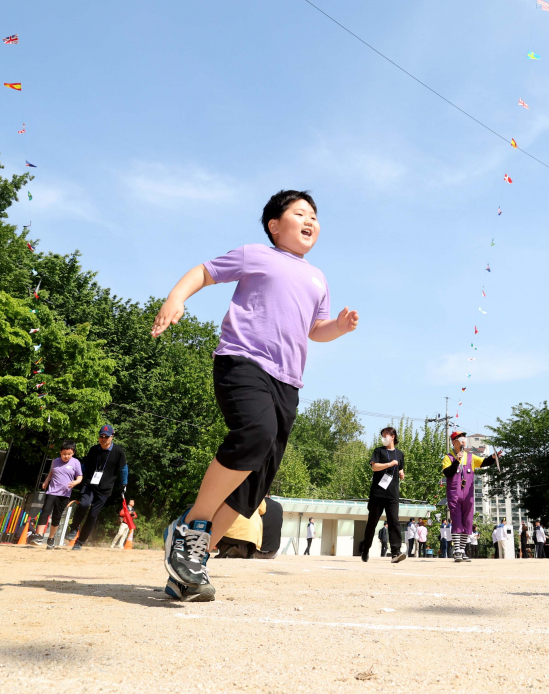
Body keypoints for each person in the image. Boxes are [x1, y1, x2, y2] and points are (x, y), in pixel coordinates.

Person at [154, 190, 359, 602]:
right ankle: (191, 525)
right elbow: (203, 272)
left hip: (288, 382)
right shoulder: (255, 255)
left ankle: (191, 566)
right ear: (274, 225)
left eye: (314, 216)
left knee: (258, 477)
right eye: (299, 213)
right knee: (254, 434)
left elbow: (314, 330)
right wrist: (176, 298)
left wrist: (338, 326)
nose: (309, 220)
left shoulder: (318, 278)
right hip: (243, 361)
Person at [442, 431, 498, 562]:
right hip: (454, 495)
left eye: (464, 438)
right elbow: (447, 473)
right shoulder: (448, 457)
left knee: (467, 522)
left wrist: (493, 458)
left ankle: (462, 550)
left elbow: (484, 462)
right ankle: (457, 551)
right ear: (454, 442)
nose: (463, 440)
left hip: (468, 495)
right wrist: (456, 461)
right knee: (456, 522)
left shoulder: (471, 457)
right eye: (460, 438)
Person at [71, 426, 128, 551]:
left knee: (92, 515)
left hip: (105, 489)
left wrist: (124, 484)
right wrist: (73, 473)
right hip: (90, 484)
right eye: (101, 436)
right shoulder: (93, 450)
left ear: (112, 437)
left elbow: (123, 468)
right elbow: (85, 465)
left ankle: (79, 542)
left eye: (106, 437)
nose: (103, 439)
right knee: (84, 504)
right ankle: (74, 527)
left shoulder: (118, 452)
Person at [360, 427, 407, 564]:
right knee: (372, 523)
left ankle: (395, 553)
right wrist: (389, 464)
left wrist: (402, 474)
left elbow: (401, 468)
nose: (383, 437)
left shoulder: (400, 454)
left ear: (392, 436)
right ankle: (365, 549)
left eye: (385, 435)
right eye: (382, 435)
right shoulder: (378, 451)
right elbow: (374, 467)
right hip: (378, 493)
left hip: (392, 494)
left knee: (394, 522)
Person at [29, 442, 83, 549]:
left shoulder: (76, 463)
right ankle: (39, 536)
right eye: (64, 454)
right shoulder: (55, 461)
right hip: (52, 492)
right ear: (60, 452)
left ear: (73, 453)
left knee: (56, 517)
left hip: (64, 495)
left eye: (69, 454)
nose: (66, 456)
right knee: (45, 512)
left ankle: (51, 538)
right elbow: (51, 473)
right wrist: (46, 481)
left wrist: (76, 482)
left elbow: (80, 476)